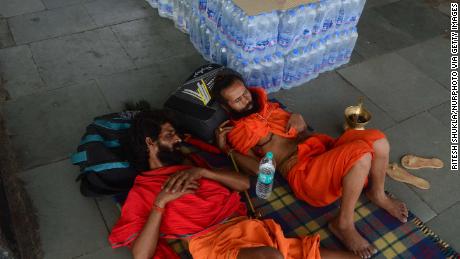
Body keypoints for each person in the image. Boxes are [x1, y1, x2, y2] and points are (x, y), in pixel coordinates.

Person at [212, 69, 409, 259]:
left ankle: (377, 193)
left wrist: (298, 119)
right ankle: (343, 223)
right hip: (306, 174)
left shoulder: (266, 105)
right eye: (238, 100)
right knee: (361, 155)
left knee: (378, 140)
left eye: (245, 93)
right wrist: (227, 150)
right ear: (227, 108)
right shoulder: (238, 132)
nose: (247, 100)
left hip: (322, 151)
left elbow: (300, 130)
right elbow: (258, 170)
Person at [108, 110, 356, 259]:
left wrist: (205, 171)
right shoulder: (144, 189)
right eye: (170, 135)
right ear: (150, 142)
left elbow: (244, 183)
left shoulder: (192, 165)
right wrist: (161, 203)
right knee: (270, 257)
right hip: (212, 244)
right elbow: (141, 254)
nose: (178, 140)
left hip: (249, 228)